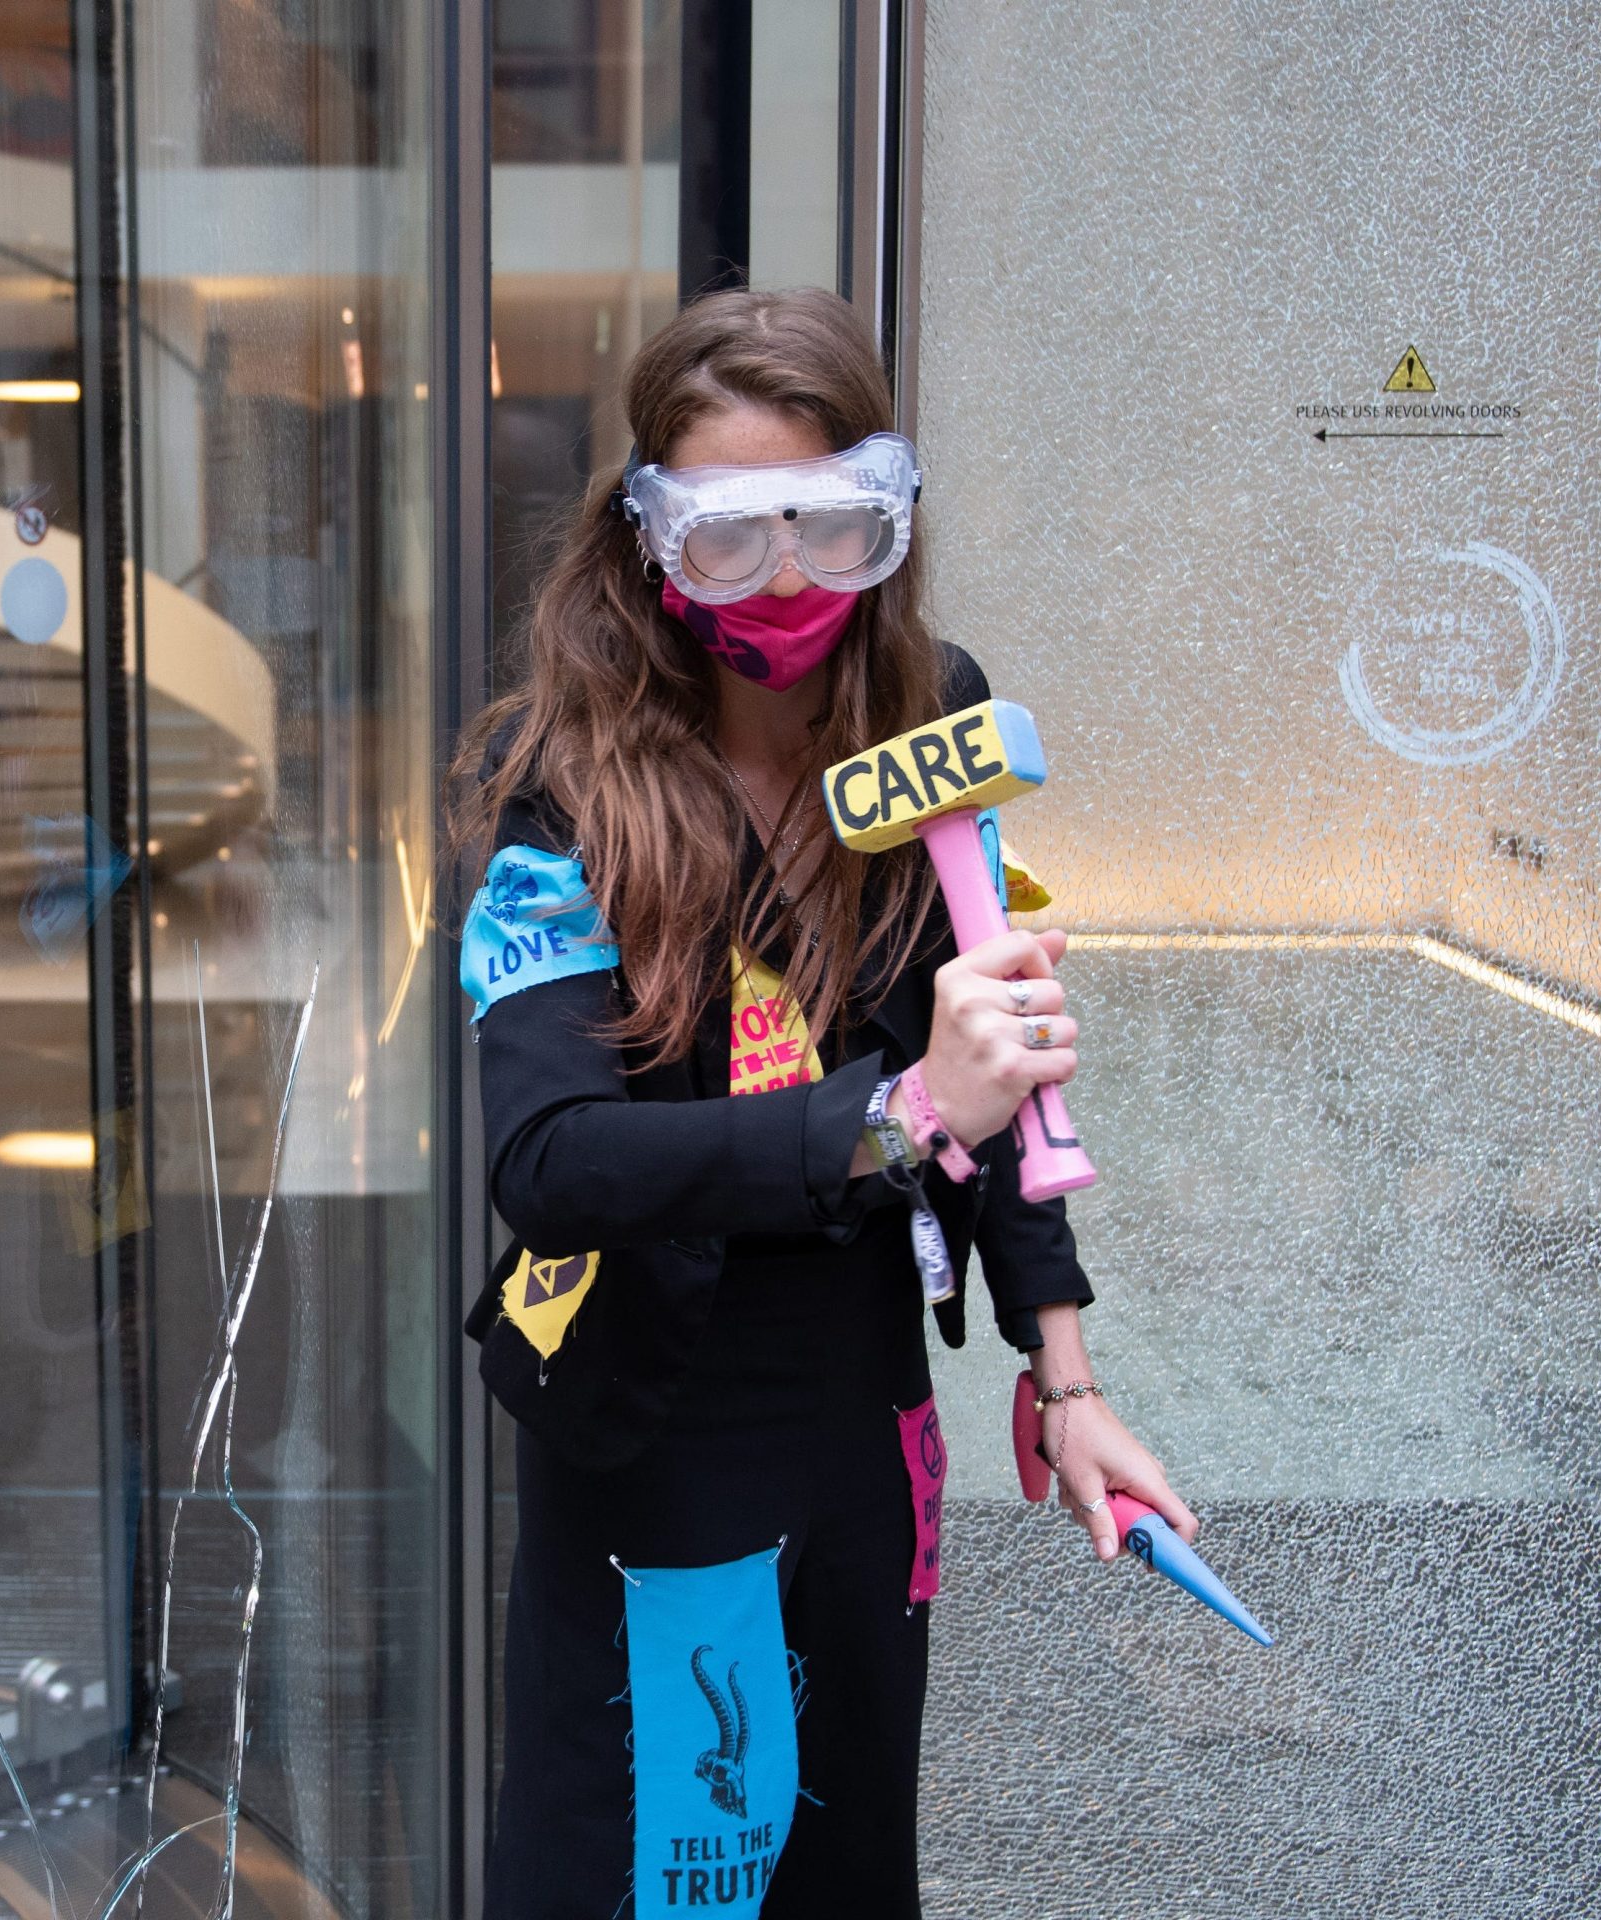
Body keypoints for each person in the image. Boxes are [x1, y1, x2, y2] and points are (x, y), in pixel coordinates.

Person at [452, 287, 1195, 1920]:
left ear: (893, 521)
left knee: (842, 1863)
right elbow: (550, 1161)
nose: (788, 582)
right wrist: (890, 1116)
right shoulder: (560, 782)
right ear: (649, 540)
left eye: (834, 527)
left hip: (863, 1414)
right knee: (658, 1860)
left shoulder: (938, 720)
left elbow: (987, 1065)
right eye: (730, 537)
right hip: (655, 1412)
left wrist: (1062, 1371)